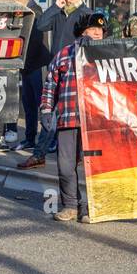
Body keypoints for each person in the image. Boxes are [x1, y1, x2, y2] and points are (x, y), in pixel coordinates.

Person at [41, 11, 108, 223]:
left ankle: (89, 208)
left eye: (101, 31)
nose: (98, 33)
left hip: (97, 122)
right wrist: (45, 110)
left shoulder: (109, 53)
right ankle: (70, 205)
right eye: (93, 29)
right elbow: (50, 84)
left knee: (93, 167)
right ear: (82, 31)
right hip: (68, 118)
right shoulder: (64, 54)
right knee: (65, 165)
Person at [20, 0, 92, 169]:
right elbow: (41, 25)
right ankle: (40, 154)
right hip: (55, 69)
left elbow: (92, 40)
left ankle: (60, 154)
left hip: (75, 70)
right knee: (50, 112)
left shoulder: (86, 13)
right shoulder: (59, 12)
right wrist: (54, 6)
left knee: (73, 115)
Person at [4, 0, 48, 154]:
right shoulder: (24, 11)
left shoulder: (34, 12)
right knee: (28, 104)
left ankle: (43, 140)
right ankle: (30, 138)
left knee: (40, 104)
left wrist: (23, 62)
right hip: (28, 66)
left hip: (35, 65)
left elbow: (35, 42)